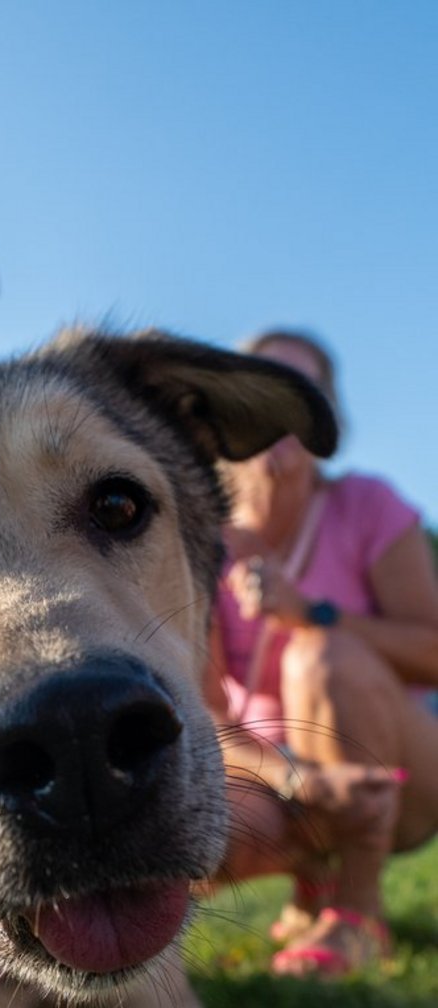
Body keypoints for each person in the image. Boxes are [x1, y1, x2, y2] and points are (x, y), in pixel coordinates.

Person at [207, 329, 438, 974]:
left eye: (301, 398)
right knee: (189, 839)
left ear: (326, 425)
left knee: (320, 655)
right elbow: (205, 720)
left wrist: (312, 614)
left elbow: (434, 651)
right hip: (278, 777)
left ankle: (359, 910)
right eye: (260, 393)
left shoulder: (368, 505)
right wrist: (293, 778)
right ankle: (314, 881)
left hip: (402, 771)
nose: (280, 414)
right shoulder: (201, 542)